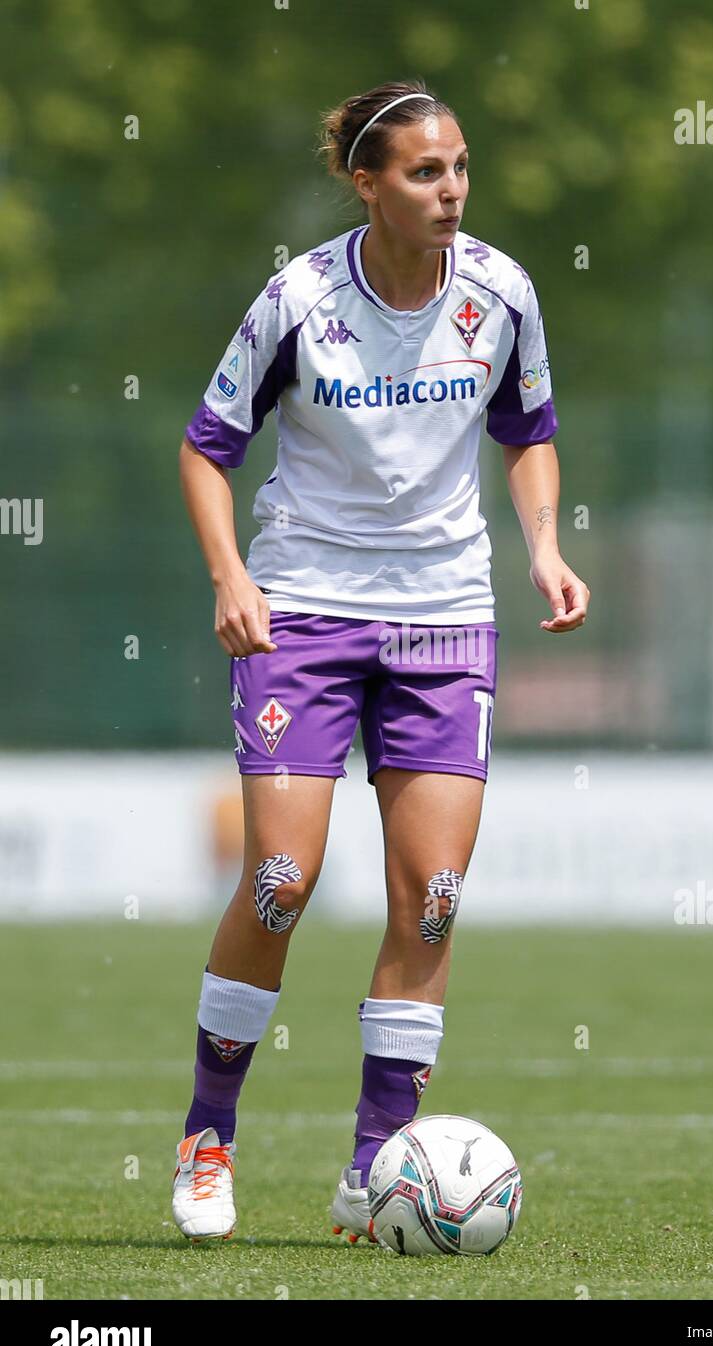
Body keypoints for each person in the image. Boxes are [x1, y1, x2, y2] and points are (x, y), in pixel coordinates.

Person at [173, 79, 590, 1244]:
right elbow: (207, 449)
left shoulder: (501, 292)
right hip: (301, 609)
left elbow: (528, 429)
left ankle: (375, 1170)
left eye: (458, 167)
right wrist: (230, 577)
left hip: (443, 617)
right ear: (366, 182)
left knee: (434, 899)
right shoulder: (298, 299)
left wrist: (545, 550)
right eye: (421, 172)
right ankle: (209, 1134)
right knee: (281, 882)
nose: (449, 189)